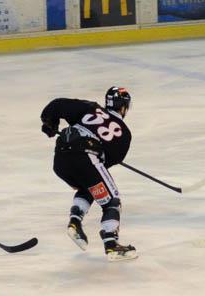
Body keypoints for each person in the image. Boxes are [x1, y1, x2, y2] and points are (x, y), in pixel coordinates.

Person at [40, 86, 136, 261]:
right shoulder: (125, 134)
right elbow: (105, 163)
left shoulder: (90, 107)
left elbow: (56, 105)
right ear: (123, 107)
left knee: (89, 186)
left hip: (60, 159)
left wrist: (50, 123)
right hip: (85, 157)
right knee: (112, 201)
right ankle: (112, 245)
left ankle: (75, 222)